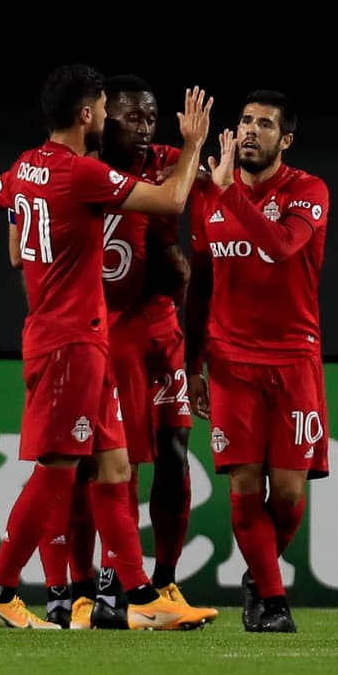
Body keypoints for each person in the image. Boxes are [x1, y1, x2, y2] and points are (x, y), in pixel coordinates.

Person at [0, 63, 217, 631]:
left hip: (77, 339)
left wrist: (17, 215)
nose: (105, 115)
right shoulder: (82, 174)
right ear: (86, 115)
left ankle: (140, 595)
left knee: (115, 466)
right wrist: (193, 144)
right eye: (101, 107)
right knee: (57, 470)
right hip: (69, 341)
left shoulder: (26, 168)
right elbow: (172, 201)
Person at [60, 75, 208, 630]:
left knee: (174, 449)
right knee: (102, 462)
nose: (144, 129)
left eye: (151, 117)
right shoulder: (85, 168)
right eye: (130, 117)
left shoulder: (165, 158)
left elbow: (207, 185)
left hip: (158, 324)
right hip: (106, 327)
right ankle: (88, 586)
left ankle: (164, 580)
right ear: (102, 118)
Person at [186, 92, 330, 633]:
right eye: (245, 121)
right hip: (230, 362)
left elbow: (280, 246)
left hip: (294, 359)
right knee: (245, 486)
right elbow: (199, 286)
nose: (250, 131)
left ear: (284, 140)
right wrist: (190, 365)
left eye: (264, 124)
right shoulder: (207, 195)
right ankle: (273, 601)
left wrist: (229, 196)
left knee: (289, 493)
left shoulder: (307, 191)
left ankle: (257, 574)